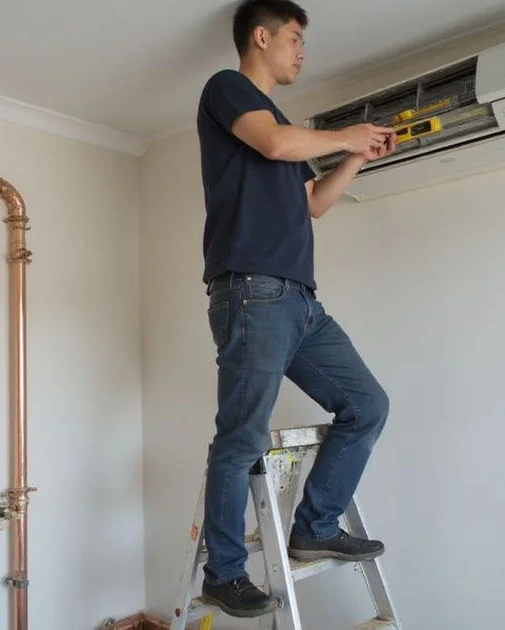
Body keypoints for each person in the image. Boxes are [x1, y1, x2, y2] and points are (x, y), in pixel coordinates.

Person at [195, 0, 401, 619]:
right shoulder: (228, 91)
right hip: (253, 291)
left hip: (300, 300)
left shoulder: (284, 128)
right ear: (261, 36)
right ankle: (223, 573)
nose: (301, 50)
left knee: (367, 404)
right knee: (243, 437)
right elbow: (276, 142)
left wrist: (357, 156)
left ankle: (314, 525)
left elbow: (313, 202)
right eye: (294, 38)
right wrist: (345, 133)